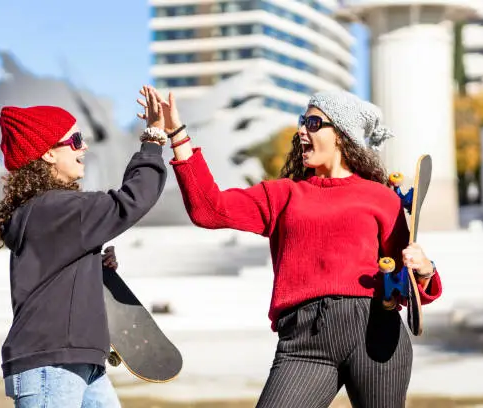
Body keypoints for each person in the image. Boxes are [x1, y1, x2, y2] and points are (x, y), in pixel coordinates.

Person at [137, 86, 442, 408]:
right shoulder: (282, 194)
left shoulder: (380, 197)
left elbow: (408, 288)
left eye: (312, 123)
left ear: (341, 134)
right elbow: (208, 210)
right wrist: (178, 136)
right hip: (304, 340)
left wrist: (425, 270)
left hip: (375, 332)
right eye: (302, 122)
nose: (300, 131)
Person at [0, 96, 168, 407]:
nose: (83, 147)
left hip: (76, 363)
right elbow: (132, 200)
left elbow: (54, 280)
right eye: (74, 140)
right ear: (47, 153)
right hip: (51, 367)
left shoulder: (47, 212)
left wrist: (92, 266)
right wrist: (153, 138)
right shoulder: (55, 208)